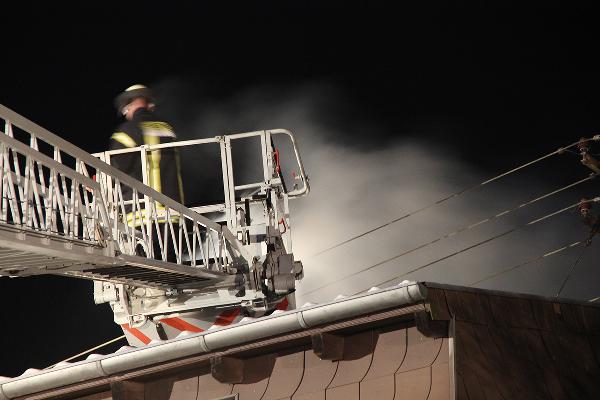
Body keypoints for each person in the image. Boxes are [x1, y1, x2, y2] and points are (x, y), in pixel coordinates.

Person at [111, 84, 185, 261]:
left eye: (125, 110)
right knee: (171, 265)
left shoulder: (126, 132)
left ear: (129, 105)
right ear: (149, 104)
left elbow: (114, 170)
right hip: (172, 214)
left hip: (141, 217)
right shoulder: (167, 129)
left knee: (146, 266)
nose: (126, 114)